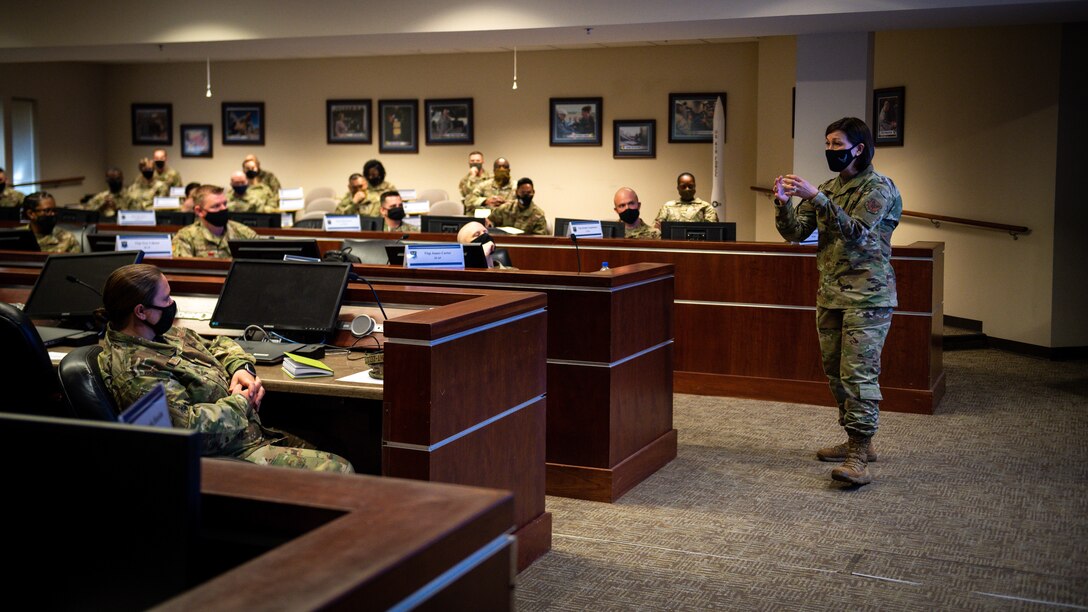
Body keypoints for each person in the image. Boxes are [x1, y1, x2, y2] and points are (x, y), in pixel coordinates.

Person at [96, 263, 353, 473]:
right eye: (166, 298)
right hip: (225, 455)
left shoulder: (163, 335)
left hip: (247, 435)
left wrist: (241, 368)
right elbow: (185, 429)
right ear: (141, 311)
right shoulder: (136, 369)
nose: (173, 303)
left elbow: (219, 344)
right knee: (341, 470)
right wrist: (242, 401)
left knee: (338, 442)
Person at [772, 117, 902, 487]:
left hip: (869, 296)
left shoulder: (879, 188)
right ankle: (856, 437)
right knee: (835, 372)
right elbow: (795, 234)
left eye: (836, 144)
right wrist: (783, 205)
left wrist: (816, 197)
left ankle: (859, 454)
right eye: (827, 144)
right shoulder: (830, 188)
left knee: (858, 375)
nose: (830, 151)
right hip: (831, 295)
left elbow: (859, 233)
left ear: (858, 148)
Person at [173, 184, 259, 258]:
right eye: (216, 206)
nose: (223, 208)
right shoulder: (185, 237)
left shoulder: (244, 233)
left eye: (224, 204)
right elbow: (185, 271)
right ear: (199, 211)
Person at [654, 172, 718, 229]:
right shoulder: (668, 206)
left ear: (695, 187)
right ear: (678, 188)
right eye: (683, 186)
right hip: (672, 241)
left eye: (690, 186)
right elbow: (657, 228)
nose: (687, 189)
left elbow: (712, 230)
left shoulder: (706, 207)